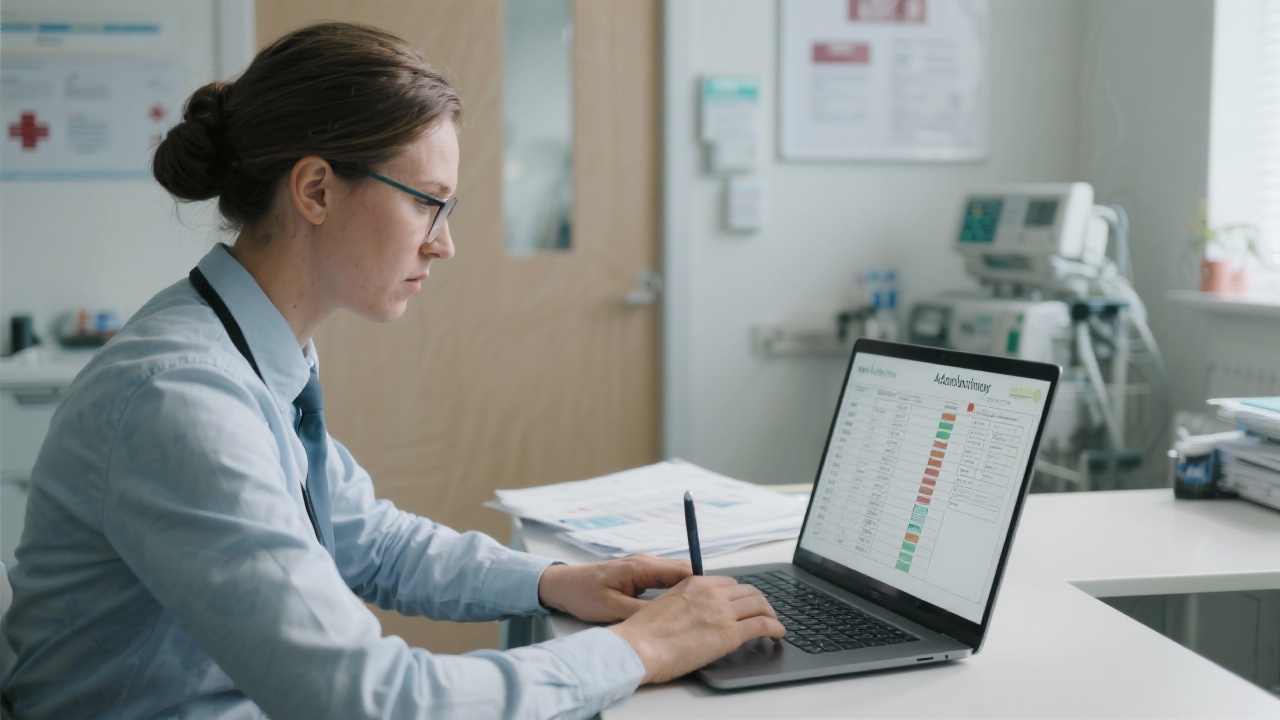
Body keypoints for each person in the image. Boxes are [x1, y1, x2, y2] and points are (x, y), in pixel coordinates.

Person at [0, 22, 783, 720]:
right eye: (426, 203)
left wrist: (552, 582)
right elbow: (365, 700)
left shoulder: (242, 347)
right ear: (314, 190)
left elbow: (363, 539)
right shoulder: (180, 397)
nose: (444, 243)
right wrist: (641, 650)